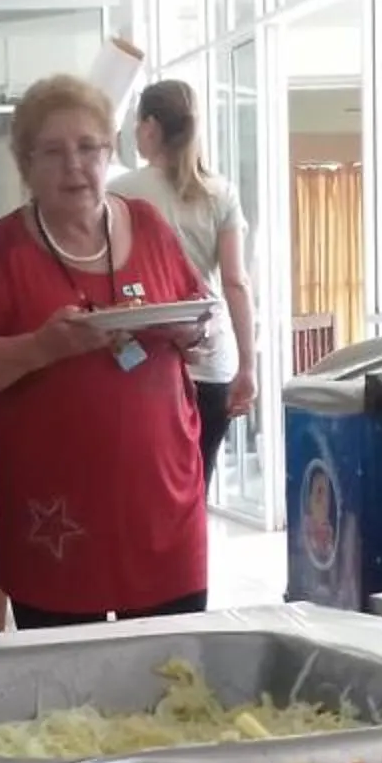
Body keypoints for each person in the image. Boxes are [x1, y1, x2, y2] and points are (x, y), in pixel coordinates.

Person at [0, 75, 212, 629]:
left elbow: (197, 316)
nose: (73, 166)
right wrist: (41, 347)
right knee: (65, 685)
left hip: (161, 499)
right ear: (25, 164)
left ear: (110, 151)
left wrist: (192, 332)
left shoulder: (149, 224)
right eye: (51, 152)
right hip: (55, 519)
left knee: (171, 666)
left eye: (88, 148)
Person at [110, 78, 259, 484]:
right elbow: (235, 282)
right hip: (213, 358)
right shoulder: (220, 193)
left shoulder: (120, 192)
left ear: (151, 127)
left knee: (150, 491)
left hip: (148, 359)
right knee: (197, 488)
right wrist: (248, 364)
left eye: (138, 124)